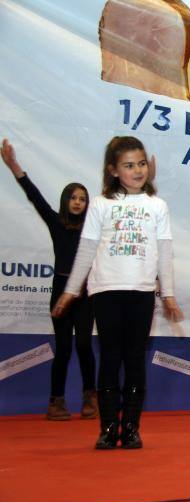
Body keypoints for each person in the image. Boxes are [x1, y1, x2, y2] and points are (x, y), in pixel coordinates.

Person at [53, 136, 183, 449]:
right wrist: (71, 290)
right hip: (106, 290)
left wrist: (167, 293)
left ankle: (132, 428)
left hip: (140, 291)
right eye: (128, 165)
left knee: (135, 359)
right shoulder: (100, 204)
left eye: (140, 164)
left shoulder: (157, 206)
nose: (137, 170)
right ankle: (109, 428)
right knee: (110, 357)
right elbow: (86, 250)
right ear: (113, 170)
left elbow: (164, 252)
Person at [2, 138, 97, 421]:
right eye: (74, 198)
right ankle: (56, 402)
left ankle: (90, 398)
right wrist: (14, 166)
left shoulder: (93, 230)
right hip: (60, 289)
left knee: (83, 344)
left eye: (83, 199)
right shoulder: (56, 222)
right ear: (66, 200)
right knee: (64, 348)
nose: (78, 202)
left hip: (85, 293)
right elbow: (34, 196)